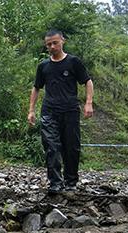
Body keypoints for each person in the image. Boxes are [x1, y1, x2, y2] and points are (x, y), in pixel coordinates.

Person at [28, 29, 93, 195]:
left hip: (70, 110)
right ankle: (55, 182)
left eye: (55, 42)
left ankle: (70, 181)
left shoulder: (73, 62)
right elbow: (36, 88)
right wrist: (31, 111)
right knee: (51, 146)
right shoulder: (43, 66)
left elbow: (87, 81)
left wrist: (88, 103)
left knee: (71, 147)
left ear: (62, 41)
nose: (52, 46)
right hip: (49, 111)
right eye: (49, 44)